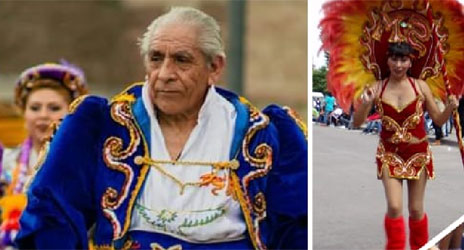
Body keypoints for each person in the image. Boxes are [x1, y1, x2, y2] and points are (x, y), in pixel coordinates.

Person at [15, 7, 308, 249]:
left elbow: (297, 230)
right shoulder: (100, 126)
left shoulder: (262, 133)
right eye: (156, 58)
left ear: (215, 68)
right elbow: (51, 216)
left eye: (182, 60)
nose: (165, 74)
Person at [351, 42, 459, 250]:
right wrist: (366, 103)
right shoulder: (377, 87)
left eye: (403, 60)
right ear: (387, 60)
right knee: (394, 206)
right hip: (389, 154)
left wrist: (451, 109)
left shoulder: (420, 86)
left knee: (416, 209)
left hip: (417, 154)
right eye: (394, 59)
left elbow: (437, 120)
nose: (398, 65)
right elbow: (357, 122)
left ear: (410, 62)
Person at [0, 62, 88, 247]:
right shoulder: (6, 161)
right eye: (35, 108)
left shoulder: (86, 166)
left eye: (54, 108)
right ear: (23, 112)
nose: (43, 115)